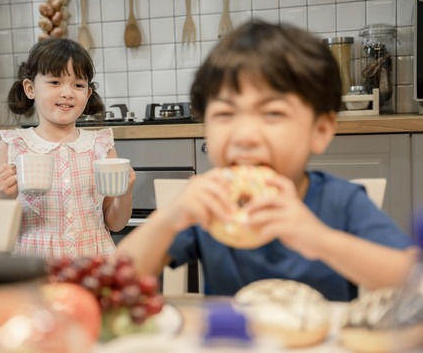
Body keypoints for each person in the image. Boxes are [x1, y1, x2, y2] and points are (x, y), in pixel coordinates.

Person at [117, 21, 420, 301]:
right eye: (224, 114)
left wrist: (318, 238)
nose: (245, 136)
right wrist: (172, 218)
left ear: (321, 129)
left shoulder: (341, 203)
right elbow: (116, 279)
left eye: (272, 113)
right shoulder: (210, 208)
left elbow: (412, 281)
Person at [0, 38, 135, 259]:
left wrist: (125, 194)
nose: (67, 93)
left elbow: (115, 223)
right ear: (30, 89)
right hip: (34, 265)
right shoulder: (13, 145)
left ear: (87, 94)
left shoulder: (101, 145)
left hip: (93, 264)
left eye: (78, 85)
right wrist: (4, 195)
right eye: (55, 82)